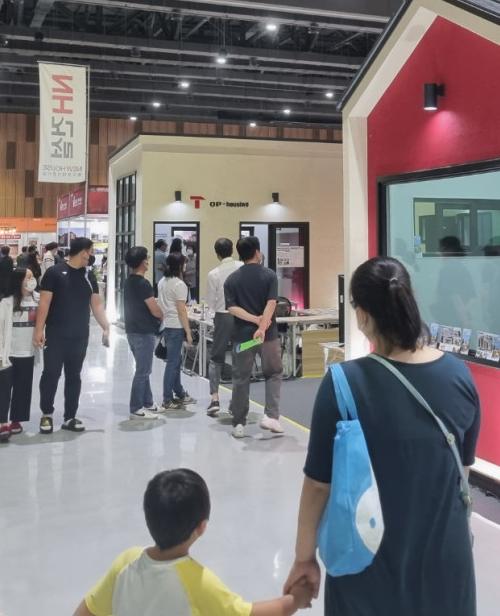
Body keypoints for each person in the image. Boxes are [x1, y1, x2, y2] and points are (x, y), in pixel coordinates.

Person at [285, 256, 480, 616]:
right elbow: (461, 475)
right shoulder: (459, 376)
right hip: (447, 566)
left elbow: (318, 486)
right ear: (411, 299)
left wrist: (304, 558)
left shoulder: (343, 384)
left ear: (362, 315)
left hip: (367, 564)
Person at [72, 468, 312, 616]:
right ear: (201, 527)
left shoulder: (126, 561)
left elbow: (86, 611)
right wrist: (296, 599)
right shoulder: (198, 581)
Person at [34, 237, 112, 433]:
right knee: (51, 374)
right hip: (56, 335)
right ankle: (46, 414)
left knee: (74, 376)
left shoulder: (88, 275)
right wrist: (39, 330)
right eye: (91, 252)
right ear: (83, 253)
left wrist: (106, 326)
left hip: (79, 335)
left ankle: (70, 417)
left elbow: (96, 304)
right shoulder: (54, 272)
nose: (92, 256)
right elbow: (44, 303)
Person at [224, 235, 282, 439]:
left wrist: (254, 320)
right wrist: (263, 326)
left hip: (242, 338)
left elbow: (232, 308)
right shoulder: (269, 275)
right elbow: (271, 303)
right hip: (268, 336)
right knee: (273, 373)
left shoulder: (232, 279)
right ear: (258, 252)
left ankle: (239, 423)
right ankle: (271, 416)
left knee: (241, 378)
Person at [0, 268, 39, 442]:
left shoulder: (38, 299)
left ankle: (16, 420)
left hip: (28, 352)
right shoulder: (7, 302)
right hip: (8, 354)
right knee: (3, 388)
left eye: (32, 276)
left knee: (23, 388)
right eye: (28, 277)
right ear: (19, 281)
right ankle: (3, 424)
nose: (32, 279)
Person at [123, 246, 164, 419]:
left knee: (143, 368)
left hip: (132, 330)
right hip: (144, 332)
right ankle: (135, 407)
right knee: (143, 371)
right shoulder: (143, 284)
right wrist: (162, 316)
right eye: (146, 258)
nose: (148, 261)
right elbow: (154, 309)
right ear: (142, 262)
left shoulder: (129, 281)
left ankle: (148, 403)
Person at [204, 238, 242, 417]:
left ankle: (215, 398)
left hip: (223, 316)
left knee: (216, 358)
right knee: (240, 356)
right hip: (243, 316)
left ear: (217, 254)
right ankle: (236, 400)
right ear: (232, 250)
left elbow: (211, 302)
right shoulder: (242, 267)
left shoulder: (214, 274)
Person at [158, 252, 196, 410]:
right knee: (173, 363)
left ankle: (179, 392)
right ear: (181, 265)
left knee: (175, 361)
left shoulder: (162, 281)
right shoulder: (179, 285)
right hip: (176, 326)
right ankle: (167, 398)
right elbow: (181, 310)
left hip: (166, 324)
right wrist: (188, 331)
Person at [433, 236, 474, 329]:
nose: (440, 253)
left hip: (451, 320)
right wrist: (466, 315)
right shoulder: (463, 269)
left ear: (449, 250)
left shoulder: (447, 270)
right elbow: (472, 298)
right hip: (460, 317)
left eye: (442, 249)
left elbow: (455, 297)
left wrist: (464, 320)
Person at [0, 245, 15, 318]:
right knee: (7, 298)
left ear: (1, 251)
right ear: (9, 252)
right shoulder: (10, 260)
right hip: (8, 283)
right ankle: (6, 314)